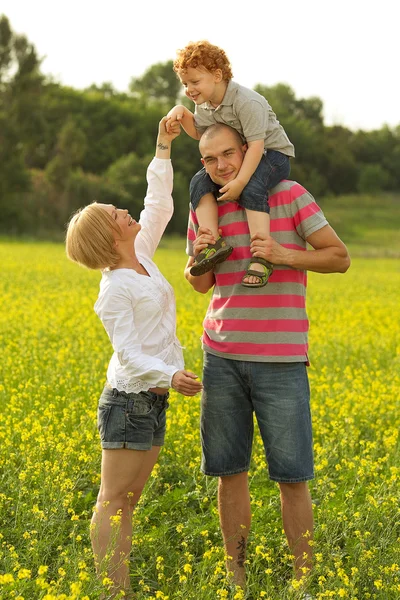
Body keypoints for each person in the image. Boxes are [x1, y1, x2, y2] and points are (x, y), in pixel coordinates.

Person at [184, 124, 350, 596]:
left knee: (292, 476)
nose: (222, 166)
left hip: (280, 359)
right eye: (211, 159)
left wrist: (282, 253)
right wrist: (201, 259)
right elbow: (199, 285)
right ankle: (235, 575)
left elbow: (338, 257)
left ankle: (304, 579)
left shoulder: (289, 194)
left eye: (229, 154)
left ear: (250, 151)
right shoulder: (206, 207)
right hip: (222, 356)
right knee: (228, 472)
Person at [65, 117, 202, 598]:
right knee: (113, 498)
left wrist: (163, 146)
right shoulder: (114, 290)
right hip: (128, 401)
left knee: (132, 499)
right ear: (109, 234)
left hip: (154, 397)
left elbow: (157, 203)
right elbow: (129, 354)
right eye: (116, 213)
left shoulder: (140, 253)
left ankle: (118, 586)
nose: (126, 211)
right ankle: (111, 590)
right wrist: (172, 373)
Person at [167, 40, 295, 288]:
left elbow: (257, 146)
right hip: (243, 155)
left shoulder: (247, 102)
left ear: (217, 75)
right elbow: (202, 134)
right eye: (185, 84)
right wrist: (181, 112)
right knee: (198, 181)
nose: (189, 89)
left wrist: (239, 182)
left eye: (194, 82)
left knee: (253, 187)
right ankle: (212, 242)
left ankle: (261, 256)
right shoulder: (203, 103)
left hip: (273, 155)